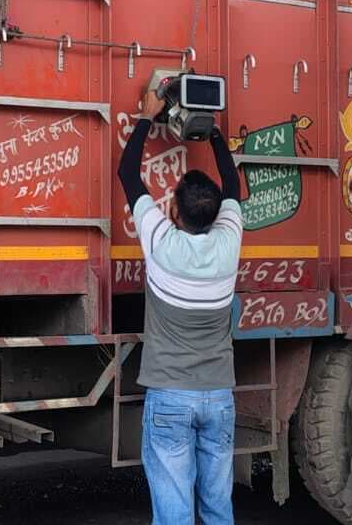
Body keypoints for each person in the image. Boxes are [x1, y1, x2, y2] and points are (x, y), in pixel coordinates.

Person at [117, 80, 244, 525]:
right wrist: (212, 132)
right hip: (219, 397)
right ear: (216, 214)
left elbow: (128, 175)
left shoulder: (162, 245)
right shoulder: (229, 243)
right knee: (217, 506)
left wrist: (146, 116)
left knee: (173, 514)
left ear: (174, 211)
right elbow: (232, 184)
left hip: (171, 396)